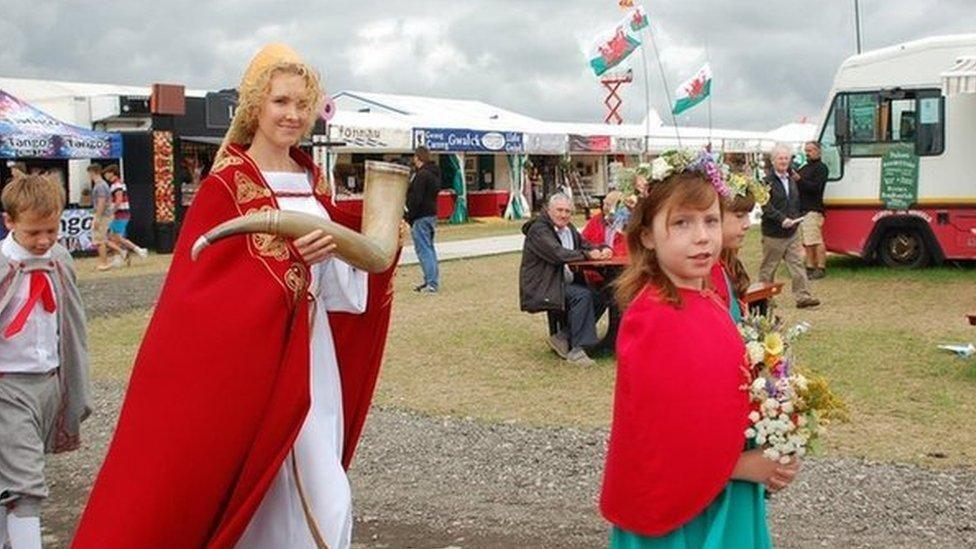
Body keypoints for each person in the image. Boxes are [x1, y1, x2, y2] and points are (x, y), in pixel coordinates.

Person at [73, 43, 398, 548]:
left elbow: (339, 292)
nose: (292, 115)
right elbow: (201, 296)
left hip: (313, 359)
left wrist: (343, 250)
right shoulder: (225, 186)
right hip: (249, 369)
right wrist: (289, 268)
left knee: (322, 488)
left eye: (300, 104)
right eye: (280, 102)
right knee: (265, 492)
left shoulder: (312, 182)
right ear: (255, 107)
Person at [600, 152, 798, 548]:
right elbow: (658, 433)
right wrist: (744, 465)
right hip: (685, 509)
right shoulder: (652, 315)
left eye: (710, 220)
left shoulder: (707, 298)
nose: (703, 236)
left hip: (720, 491)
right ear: (647, 236)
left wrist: (776, 427)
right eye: (681, 223)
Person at [0, 175, 91, 549]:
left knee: (10, 475)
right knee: (26, 484)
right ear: (9, 223)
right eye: (32, 232)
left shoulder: (59, 261)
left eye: (51, 230)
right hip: (7, 385)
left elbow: (72, 323)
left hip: (50, 381)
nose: (43, 240)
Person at [519, 193, 612, 367]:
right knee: (582, 295)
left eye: (568, 211)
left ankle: (563, 337)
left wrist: (602, 249)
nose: (564, 215)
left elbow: (585, 245)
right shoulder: (539, 230)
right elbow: (557, 254)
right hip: (543, 286)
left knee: (602, 295)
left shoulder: (568, 228)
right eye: (559, 210)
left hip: (562, 283)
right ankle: (578, 351)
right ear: (549, 210)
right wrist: (588, 254)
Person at [759, 144, 820, 309]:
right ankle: (765, 300)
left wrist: (796, 217)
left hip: (792, 232)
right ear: (773, 161)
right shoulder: (766, 182)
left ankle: (803, 297)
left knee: (797, 265)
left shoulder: (792, 179)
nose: (784, 161)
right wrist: (781, 219)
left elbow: (794, 202)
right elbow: (766, 206)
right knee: (769, 269)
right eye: (780, 158)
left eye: (786, 158)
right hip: (773, 233)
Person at [406, 145, 441, 293]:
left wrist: (409, 215)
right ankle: (430, 279)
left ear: (417, 158)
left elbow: (416, 198)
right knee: (429, 248)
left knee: (423, 250)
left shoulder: (421, 175)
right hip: (431, 214)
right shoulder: (434, 174)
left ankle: (431, 283)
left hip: (420, 216)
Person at [795, 141, 828, 279]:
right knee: (808, 241)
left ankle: (820, 267)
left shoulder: (821, 168)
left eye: (810, 150)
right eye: (806, 150)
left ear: (818, 151)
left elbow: (816, 188)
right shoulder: (804, 168)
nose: (808, 153)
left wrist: (799, 180)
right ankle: (810, 266)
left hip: (813, 208)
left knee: (815, 240)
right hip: (803, 209)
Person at [102, 165, 148, 263]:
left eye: (106, 173)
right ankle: (119, 257)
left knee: (117, 237)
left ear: (112, 173)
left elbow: (119, 200)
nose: (105, 175)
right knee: (114, 237)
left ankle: (138, 250)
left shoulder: (117, 185)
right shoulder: (118, 184)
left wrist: (112, 211)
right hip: (121, 214)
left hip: (120, 214)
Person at [87, 165, 124, 271]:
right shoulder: (102, 185)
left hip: (102, 216)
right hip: (103, 215)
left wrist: (97, 218)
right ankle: (120, 252)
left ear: (93, 172)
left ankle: (104, 262)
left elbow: (101, 202)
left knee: (100, 240)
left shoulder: (100, 186)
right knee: (102, 239)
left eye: (89, 173)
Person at [581, 190, 628, 257]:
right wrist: (594, 250)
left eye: (608, 205)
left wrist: (611, 252)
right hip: (597, 263)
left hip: (619, 264)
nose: (604, 208)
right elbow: (583, 241)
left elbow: (627, 247)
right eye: (604, 204)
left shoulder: (626, 223)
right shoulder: (596, 220)